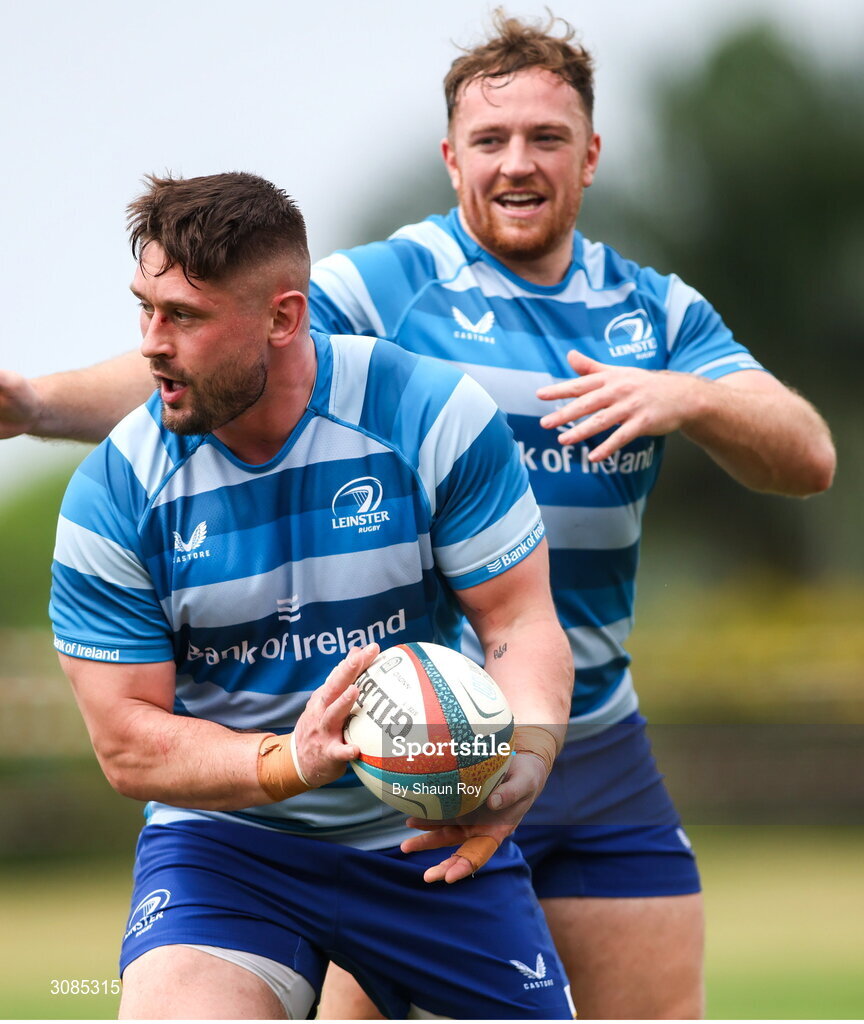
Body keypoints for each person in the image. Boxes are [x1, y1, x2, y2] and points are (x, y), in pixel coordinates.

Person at [1, 11, 836, 1021]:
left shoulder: (654, 313)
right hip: (415, 732)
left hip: (591, 722)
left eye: (546, 139)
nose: (517, 163)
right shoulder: (386, 288)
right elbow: (214, 352)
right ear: (452, 158)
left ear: (591, 155)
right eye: (491, 140)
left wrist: (685, 396)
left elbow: (810, 457)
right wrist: (39, 405)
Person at [48, 170, 576, 1020]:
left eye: (183, 316)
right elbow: (127, 743)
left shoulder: (430, 416)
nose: (150, 343)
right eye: (145, 308)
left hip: (421, 832)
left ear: (284, 317)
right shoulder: (115, 492)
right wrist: (289, 762)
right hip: (228, 845)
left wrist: (529, 758)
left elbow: (518, 619)